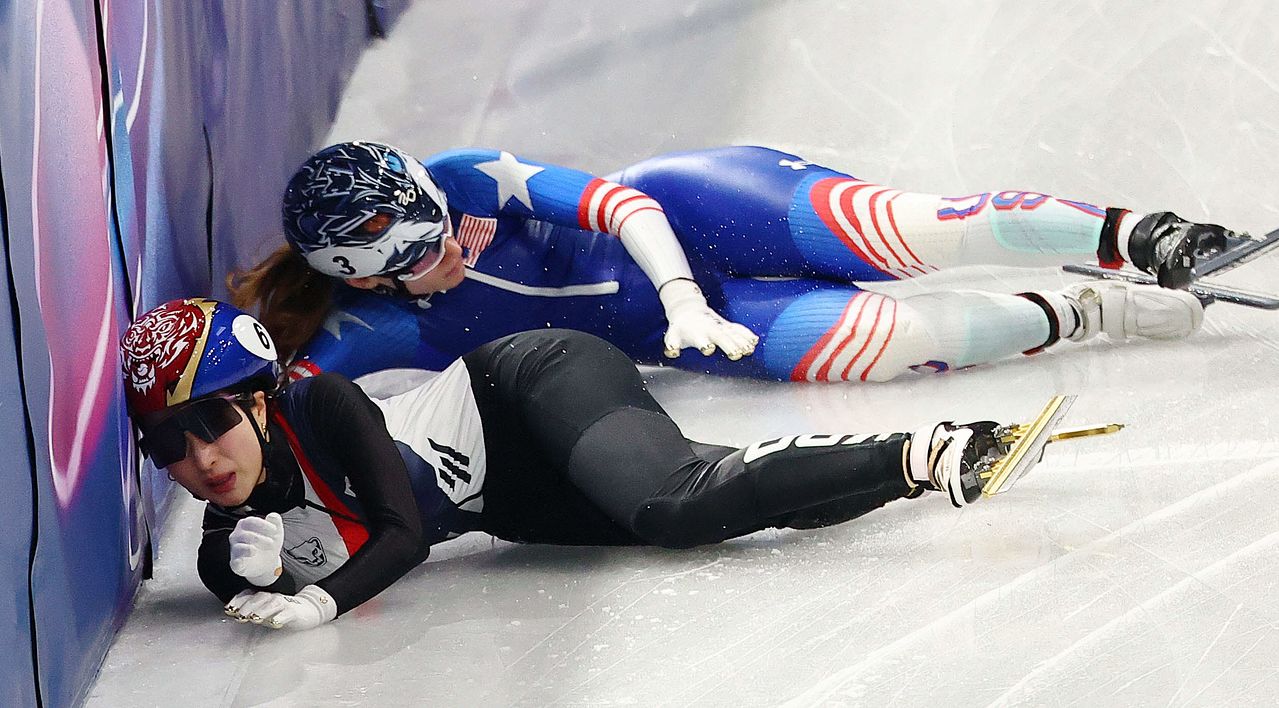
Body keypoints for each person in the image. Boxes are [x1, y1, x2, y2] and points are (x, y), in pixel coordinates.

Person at [122, 298, 1036, 631]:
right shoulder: (223, 540)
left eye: (210, 421)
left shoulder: (324, 403)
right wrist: (265, 568)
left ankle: (930, 452)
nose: (200, 458)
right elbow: (232, 577)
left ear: (257, 397)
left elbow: (401, 534)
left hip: (528, 385)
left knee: (673, 505)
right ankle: (917, 459)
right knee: (712, 507)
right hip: (510, 496)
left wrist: (315, 597)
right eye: (170, 445)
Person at [231, 141, 1225, 384]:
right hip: (689, 332)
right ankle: (1088, 313)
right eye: (429, 251)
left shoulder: (465, 178)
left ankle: (1137, 235)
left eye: (449, 219)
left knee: (908, 230)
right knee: (877, 343)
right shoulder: (374, 328)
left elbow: (617, 203)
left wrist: (673, 291)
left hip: (705, 215)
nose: (460, 240)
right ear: (366, 279)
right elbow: (277, 400)